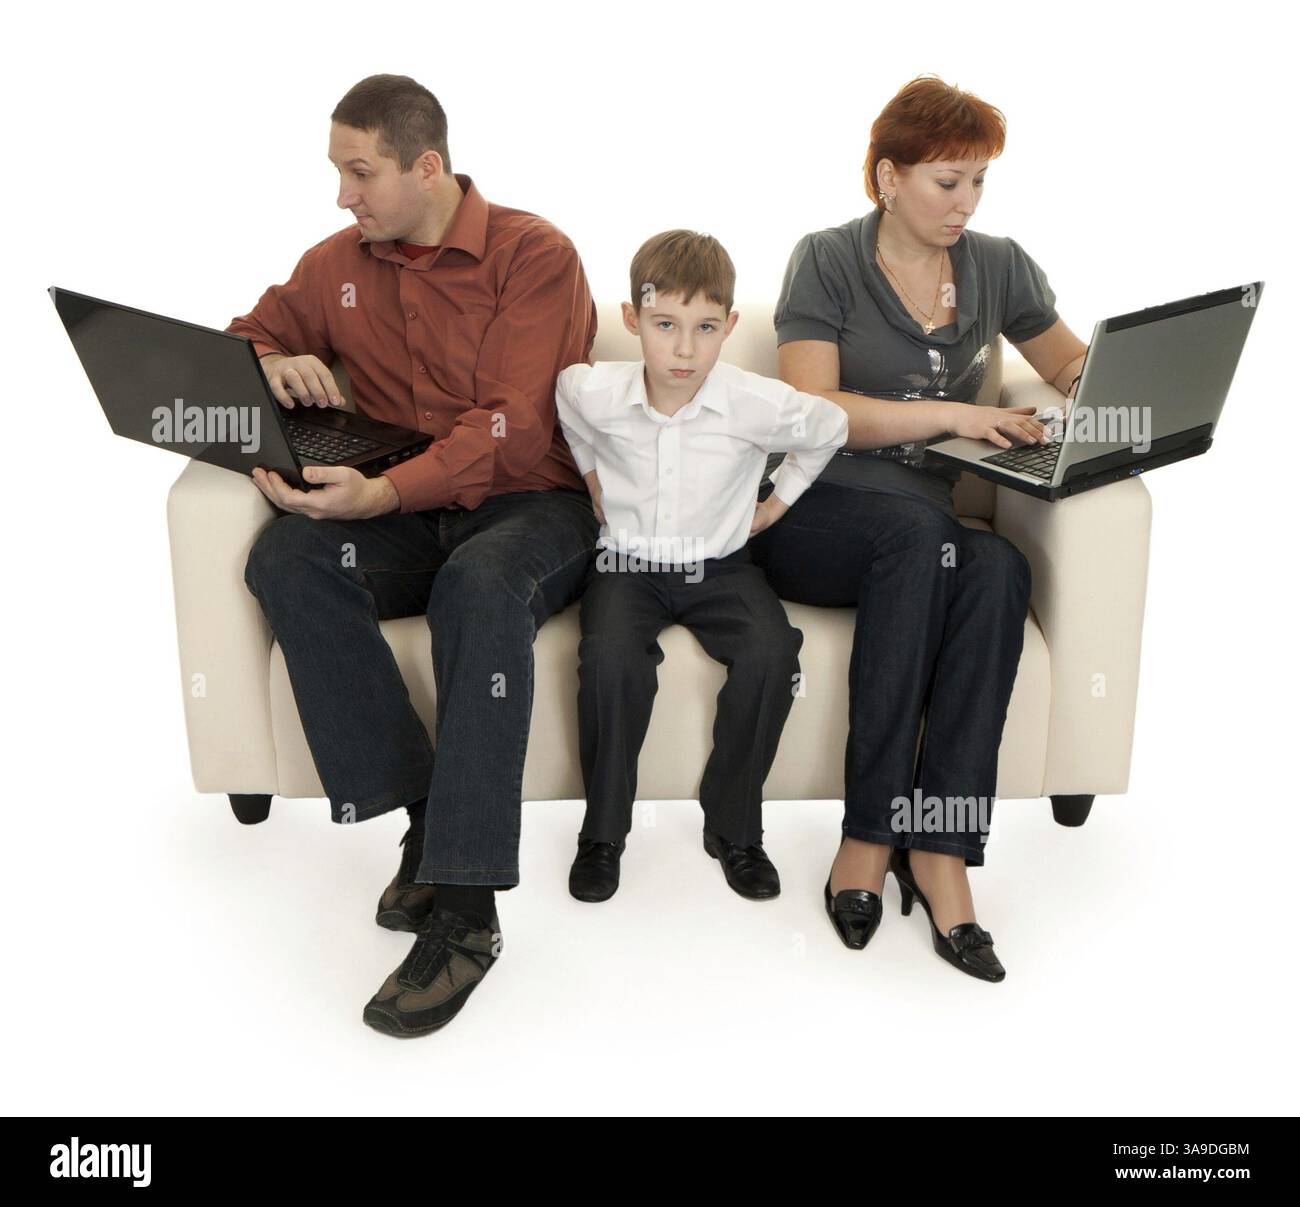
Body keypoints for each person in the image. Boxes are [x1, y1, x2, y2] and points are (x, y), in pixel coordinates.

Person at [230, 74, 600, 1037]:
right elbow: (244, 333)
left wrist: (383, 493)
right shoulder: (338, 264)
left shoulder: (535, 254)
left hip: (534, 506)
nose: (342, 195)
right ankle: (429, 819)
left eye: (360, 173)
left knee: (479, 584)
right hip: (404, 507)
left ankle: (468, 914)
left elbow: (514, 430)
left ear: (426, 166)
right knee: (288, 558)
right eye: (338, 172)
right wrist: (271, 360)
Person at [749, 75, 1089, 981]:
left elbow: (1070, 365)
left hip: (923, 529)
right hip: (814, 514)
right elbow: (815, 411)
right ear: (887, 177)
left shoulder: (1000, 265)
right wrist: (954, 414)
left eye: (979, 181)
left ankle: (939, 847)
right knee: (919, 538)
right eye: (947, 181)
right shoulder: (826, 259)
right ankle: (869, 834)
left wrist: (1114, 398)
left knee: (998, 568)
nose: (965, 202)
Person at [554, 231, 849, 903]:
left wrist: (776, 504)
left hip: (720, 566)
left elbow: (830, 425)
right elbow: (567, 403)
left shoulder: (754, 401)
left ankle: (735, 828)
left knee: (773, 654)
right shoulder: (594, 389)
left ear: (730, 326)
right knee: (609, 660)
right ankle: (602, 834)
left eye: (705, 328)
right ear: (632, 319)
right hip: (627, 564)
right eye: (665, 325)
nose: (684, 349)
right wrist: (592, 476)